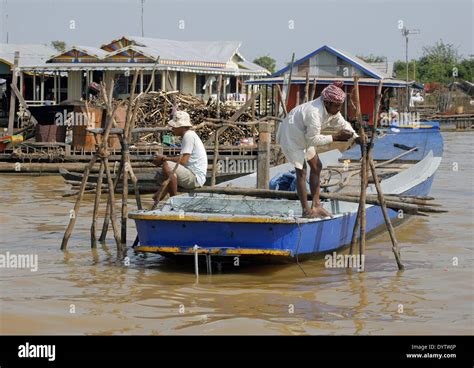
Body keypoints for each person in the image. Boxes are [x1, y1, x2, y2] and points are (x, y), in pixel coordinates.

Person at [276, 81, 358, 218]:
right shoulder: (314, 113)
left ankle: (316, 205)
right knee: (301, 172)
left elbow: (342, 124)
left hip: (304, 135)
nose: (339, 109)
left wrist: (357, 137)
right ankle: (306, 211)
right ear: (327, 103)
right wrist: (336, 137)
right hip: (291, 136)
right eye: (337, 106)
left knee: (317, 166)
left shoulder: (331, 107)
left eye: (340, 106)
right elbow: (313, 140)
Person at [152, 111, 208, 201]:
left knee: (166, 164)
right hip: (194, 175)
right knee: (161, 174)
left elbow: (183, 161)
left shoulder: (188, 136)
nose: (172, 129)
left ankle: (173, 200)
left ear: (181, 127)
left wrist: (163, 158)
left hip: (195, 177)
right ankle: (161, 196)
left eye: (175, 127)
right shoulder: (189, 135)